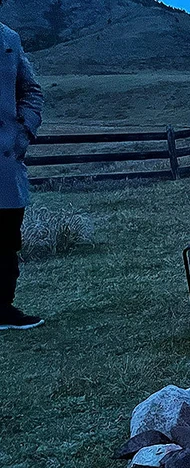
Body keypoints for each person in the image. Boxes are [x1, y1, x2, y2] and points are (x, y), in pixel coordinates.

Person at [0, 14, 43, 330]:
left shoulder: (9, 39)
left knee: (5, 238)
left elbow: (31, 90)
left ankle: (2, 308)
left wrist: (24, 131)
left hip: (5, 161)